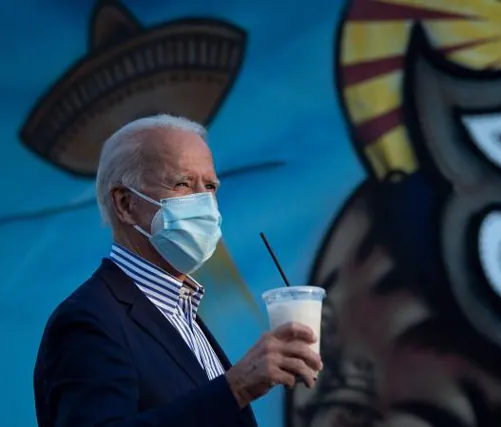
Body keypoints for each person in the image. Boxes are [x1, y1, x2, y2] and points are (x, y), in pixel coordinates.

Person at [33, 114, 323, 427]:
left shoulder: (182, 313)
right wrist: (236, 387)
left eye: (210, 186)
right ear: (126, 204)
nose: (205, 202)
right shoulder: (87, 320)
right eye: (182, 184)